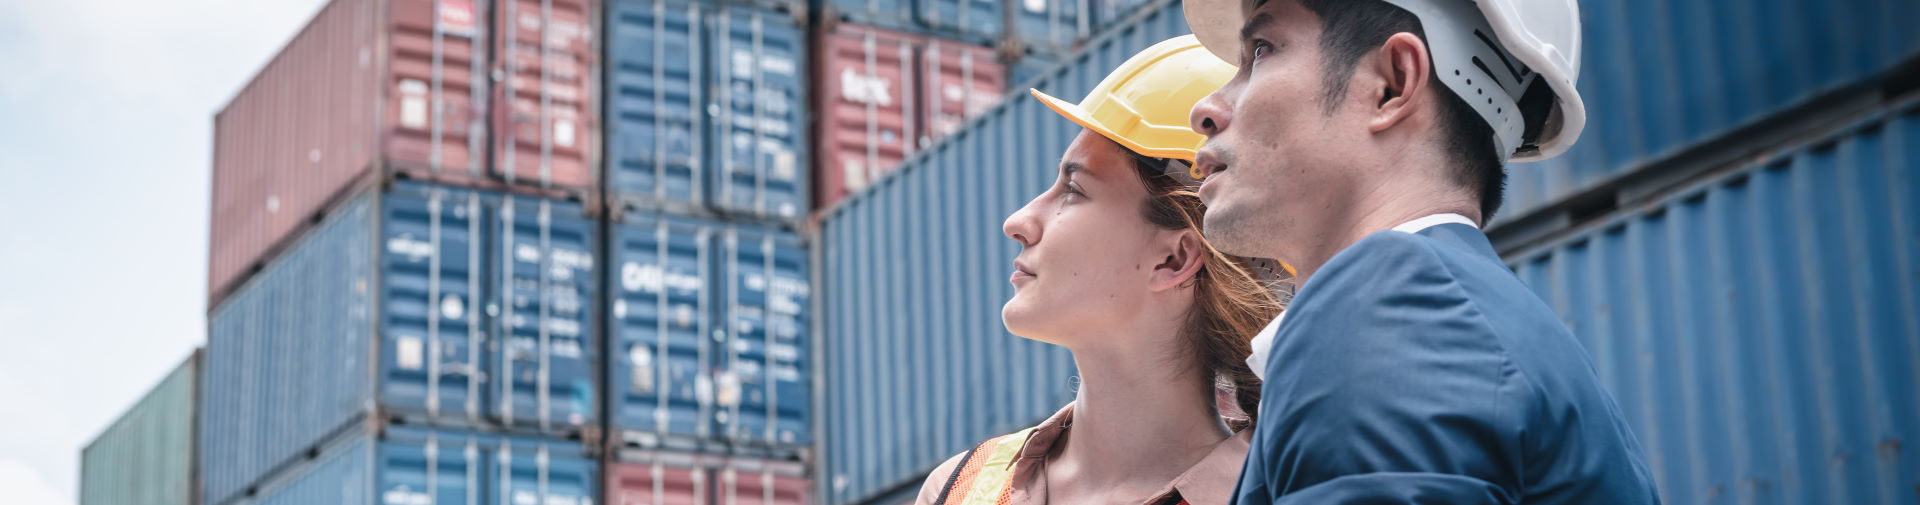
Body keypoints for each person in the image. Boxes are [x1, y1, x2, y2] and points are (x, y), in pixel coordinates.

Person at [1177, 0, 1662, 503]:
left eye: (1261, 50)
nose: (1205, 110)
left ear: (1391, 84)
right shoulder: (1479, 319)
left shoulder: (1387, 304)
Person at [914, 35, 1286, 505]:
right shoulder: (962, 488)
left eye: (1074, 188)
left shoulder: (1276, 493)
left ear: (1174, 259)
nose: (1018, 221)